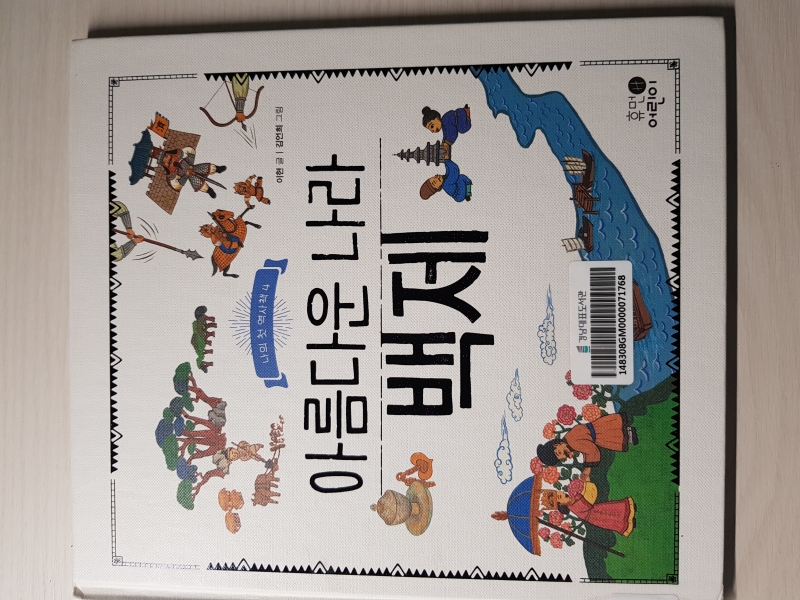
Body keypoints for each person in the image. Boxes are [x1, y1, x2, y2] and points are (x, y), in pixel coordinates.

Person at [537, 413, 637, 473]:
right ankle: (630, 433)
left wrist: (587, 469)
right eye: (561, 457)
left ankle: (631, 434)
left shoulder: (572, 441)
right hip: (597, 432)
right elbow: (585, 447)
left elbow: (591, 449)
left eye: (559, 452)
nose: (563, 455)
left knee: (615, 434)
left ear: (557, 444)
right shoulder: (569, 440)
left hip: (599, 433)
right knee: (615, 434)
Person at [540, 476, 636, 537]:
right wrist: (578, 496)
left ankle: (629, 509)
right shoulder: (572, 507)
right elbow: (586, 507)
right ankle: (627, 524)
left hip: (595, 510)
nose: (563, 494)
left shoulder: (572, 500)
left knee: (611, 508)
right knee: (610, 519)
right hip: (594, 516)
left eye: (560, 493)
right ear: (561, 504)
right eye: (560, 497)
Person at [156, 146, 226, 199]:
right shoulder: (172, 175)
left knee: (206, 168)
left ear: (169, 154)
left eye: (170, 158)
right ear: (165, 165)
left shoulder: (180, 155)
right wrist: (186, 175)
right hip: (190, 176)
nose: (171, 162)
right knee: (199, 184)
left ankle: (218, 169)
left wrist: (191, 165)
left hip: (193, 167)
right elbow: (177, 186)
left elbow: (190, 150)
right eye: (168, 163)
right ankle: (209, 190)